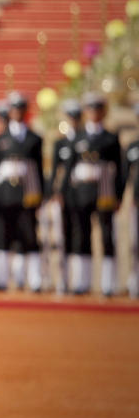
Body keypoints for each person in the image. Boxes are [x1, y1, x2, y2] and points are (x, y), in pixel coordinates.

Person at [65, 93, 124, 295]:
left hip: (104, 191)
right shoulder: (78, 137)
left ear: (103, 111)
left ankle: (108, 284)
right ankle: (82, 282)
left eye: (97, 109)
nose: (93, 113)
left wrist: (119, 195)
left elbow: (120, 168)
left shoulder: (110, 138)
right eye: (90, 109)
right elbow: (69, 168)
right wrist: (66, 193)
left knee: (107, 236)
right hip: (81, 190)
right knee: (81, 234)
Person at [0, 92, 44, 292]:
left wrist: (41, 195)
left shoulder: (35, 139)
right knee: (1, 235)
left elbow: (39, 169)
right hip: (3, 195)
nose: (18, 112)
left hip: (27, 192)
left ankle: (33, 280)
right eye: (14, 109)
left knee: (28, 235)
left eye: (21, 109)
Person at [44, 98, 83, 294]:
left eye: (76, 117)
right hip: (64, 195)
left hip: (84, 195)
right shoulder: (61, 142)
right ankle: (62, 280)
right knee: (61, 237)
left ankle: (79, 281)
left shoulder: (86, 139)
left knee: (80, 234)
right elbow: (54, 171)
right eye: (71, 117)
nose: (74, 120)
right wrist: (51, 192)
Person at [124, 102, 139, 298]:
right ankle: (135, 281)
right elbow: (124, 175)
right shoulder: (134, 146)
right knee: (135, 243)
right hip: (138, 201)